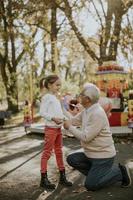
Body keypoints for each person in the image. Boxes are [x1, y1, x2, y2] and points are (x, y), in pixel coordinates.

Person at [63, 83, 132, 191]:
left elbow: (86, 137)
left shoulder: (97, 113)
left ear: (88, 99)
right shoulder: (87, 110)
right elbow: (73, 121)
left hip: (103, 157)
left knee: (91, 185)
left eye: (81, 95)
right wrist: (62, 119)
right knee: (72, 159)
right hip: (90, 154)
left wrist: (70, 128)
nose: (79, 96)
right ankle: (98, 174)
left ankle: (120, 172)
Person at [39, 75, 72, 189]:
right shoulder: (46, 97)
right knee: (47, 153)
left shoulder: (55, 97)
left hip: (58, 129)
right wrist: (53, 118)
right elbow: (42, 112)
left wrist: (67, 119)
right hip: (50, 130)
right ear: (49, 85)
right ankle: (43, 179)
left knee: (59, 152)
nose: (59, 87)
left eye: (60, 85)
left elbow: (59, 113)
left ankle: (62, 177)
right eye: (57, 85)